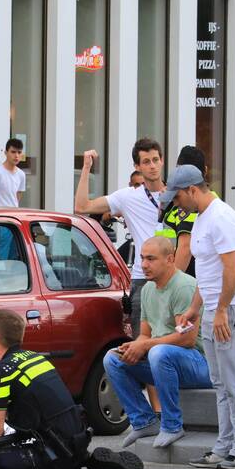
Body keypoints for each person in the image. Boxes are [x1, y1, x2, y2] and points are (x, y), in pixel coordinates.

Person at [0, 309, 143, 469]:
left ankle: (68, 461)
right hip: (76, 438)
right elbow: (30, 406)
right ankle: (83, 458)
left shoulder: (1, 371)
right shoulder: (36, 358)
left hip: (53, 452)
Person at [167, 165, 235, 469]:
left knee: (233, 382)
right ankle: (225, 445)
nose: (176, 203)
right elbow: (208, 273)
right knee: (221, 382)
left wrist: (220, 309)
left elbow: (232, 269)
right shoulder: (204, 217)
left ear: (193, 190)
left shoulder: (220, 217)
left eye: (178, 196)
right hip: (217, 306)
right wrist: (196, 307)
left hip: (232, 307)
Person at [104, 237, 211, 449]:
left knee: (159, 353)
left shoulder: (183, 286)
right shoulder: (147, 290)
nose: (143, 264)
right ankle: (144, 421)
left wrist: (146, 346)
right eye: (142, 258)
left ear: (170, 259)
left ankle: (172, 425)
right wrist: (135, 346)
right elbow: (145, 334)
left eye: (151, 259)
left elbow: (187, 338)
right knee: (112, 359)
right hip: (163, 361)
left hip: (198, 364)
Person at [75, 138, 165, 338]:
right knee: (141, 342)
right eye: (146, 162)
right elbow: (82, 207)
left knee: (171, 344)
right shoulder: (128, 197)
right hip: (144, 279)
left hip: (172, 278)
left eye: (155, 160)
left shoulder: (176, 194)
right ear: (137, 166)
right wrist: (86, 168)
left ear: (162, 161)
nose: (152, 166)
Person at [157, 145, 209, 277]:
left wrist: (170, 284)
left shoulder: (192, 204)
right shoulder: (179, 201)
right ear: (206, 171)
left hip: (185, 278)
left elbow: (185, 247)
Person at [0, 138, 26, 208]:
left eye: (19, 152)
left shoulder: (21, 175)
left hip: (13, 216)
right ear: (6, 153)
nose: (16, 156)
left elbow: (17, 198)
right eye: (13, 152)